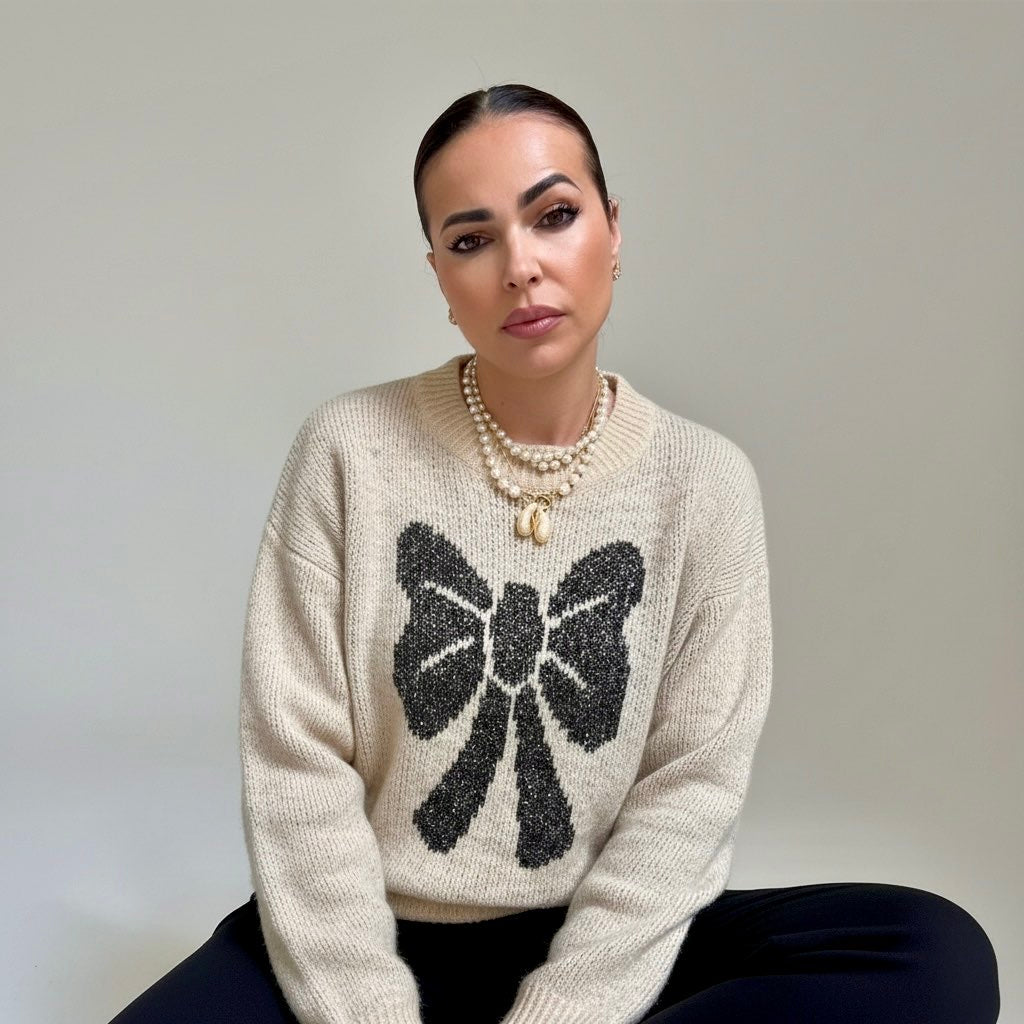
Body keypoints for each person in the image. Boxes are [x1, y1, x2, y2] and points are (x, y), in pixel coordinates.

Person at [111, 83, 1000, 1024]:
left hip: (604, 944)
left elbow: (690, 789)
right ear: (440, 277)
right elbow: (297, 763)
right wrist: (364, 1008)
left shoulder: (704, 484)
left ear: (613, 231)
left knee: (930, 953)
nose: (521, 267)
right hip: (368, 933)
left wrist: (566, 1013)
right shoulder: (349, 450)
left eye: (555, 216)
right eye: (472, 240)